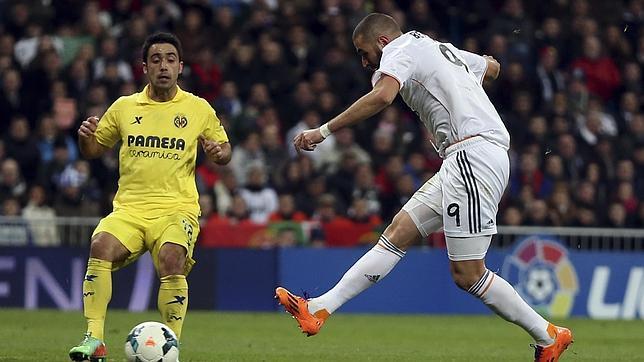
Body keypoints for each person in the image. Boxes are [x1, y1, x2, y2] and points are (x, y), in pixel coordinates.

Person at [276, 13, 572, 362]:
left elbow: (383, 96)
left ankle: (549, 334)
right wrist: (484, 66)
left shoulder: (399, 49)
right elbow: (492, 68)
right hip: (461, 158)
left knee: (468, 275)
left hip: (473, 156)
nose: (364, 61)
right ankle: (320, 308)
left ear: (383, 42)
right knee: (398, 231)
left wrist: (321, 131)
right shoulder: (439, 49)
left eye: (363, 51)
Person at [68, 33, 231, 361]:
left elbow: (224, 150)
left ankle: (172, 347)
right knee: (100, 244)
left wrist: (218, 151)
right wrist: (85, 138)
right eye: (156, 59)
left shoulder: (197, 109)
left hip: (177, 209)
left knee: (172, 259)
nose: (163, 65)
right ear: (145, 67)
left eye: (170, 59)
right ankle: (94, 339)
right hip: (129, 208)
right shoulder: (125, 107)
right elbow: (94, 149)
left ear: (181, 66)